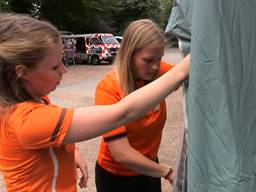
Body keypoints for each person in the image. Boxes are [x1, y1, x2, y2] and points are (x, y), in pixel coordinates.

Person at [0, 13, 189, 192]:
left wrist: (72, 152)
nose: (65, 70)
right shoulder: (27, 121)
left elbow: (48, 137)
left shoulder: (31, 100)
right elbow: (122, 113)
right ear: (22, 72)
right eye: (55, 66)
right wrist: (184, 69)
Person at [94, 19, 189, 192]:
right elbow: (122, 154)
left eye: (159, 58)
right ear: (129, 54)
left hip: (148, 169)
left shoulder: (157, 72)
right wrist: (167, 172)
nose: (154, 66)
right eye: (148, 60)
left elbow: (186, 72)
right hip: (115, 177)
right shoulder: (108, 89)